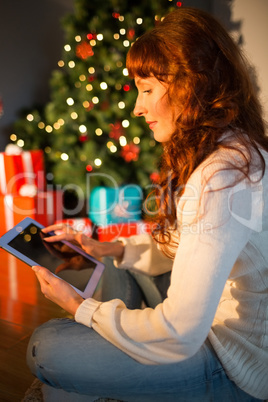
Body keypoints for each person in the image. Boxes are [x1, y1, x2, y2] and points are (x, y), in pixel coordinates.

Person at [27, 7, 268, 402]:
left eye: (147, 90)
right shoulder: (230, 147)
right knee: (120, 267)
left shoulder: (224, 176)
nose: (137, 109)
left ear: (191, 86)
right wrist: (110, 248)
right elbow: (181, 245)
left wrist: (80, 308)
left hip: (236, 362)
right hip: (212, 326)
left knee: (46, 346)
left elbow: (180, 333)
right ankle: (120, 349)